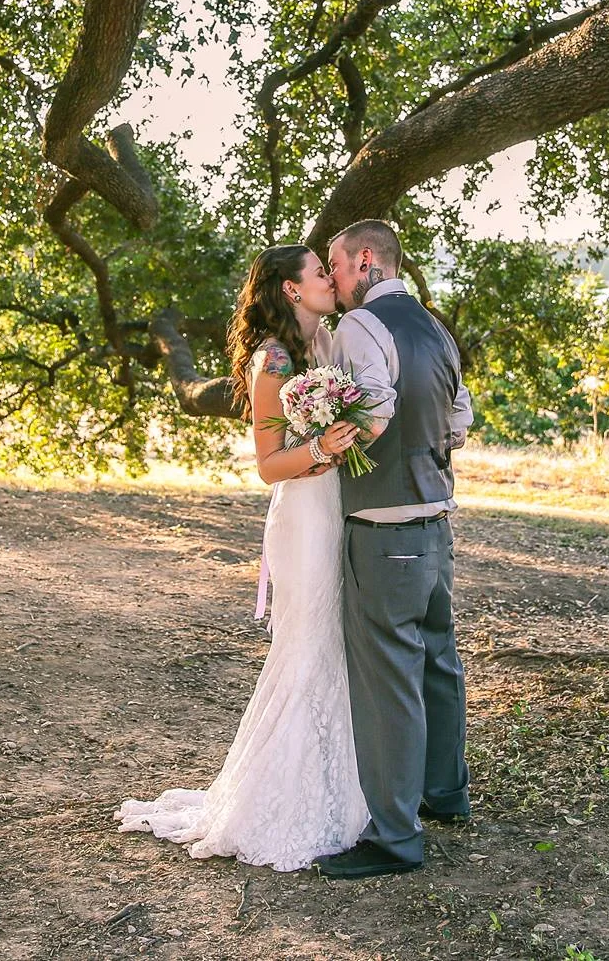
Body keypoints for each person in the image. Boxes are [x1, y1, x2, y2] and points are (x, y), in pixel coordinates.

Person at [116, 244, 370, 871]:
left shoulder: (329, 341)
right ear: (291, 289)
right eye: (319, 273)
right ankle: (286, 802)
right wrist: (323, 449)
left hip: (337, 506)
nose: (331, 279)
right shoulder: (274, 360)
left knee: (335, 644)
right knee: (307, 645)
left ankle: (348, 792)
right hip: (306, 517)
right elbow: (267, 466)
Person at [312, 218, 474, 880]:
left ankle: (396, 834)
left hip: (386, 530)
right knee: (438, 662)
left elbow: (374, 408)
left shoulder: (359, 328)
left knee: (389, 682)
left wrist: (330, 432)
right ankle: (446, 793)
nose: (335, 278)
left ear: (368, 259)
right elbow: (459, 419)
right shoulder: (434, 326)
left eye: (338, 264)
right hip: (435, 525)